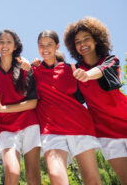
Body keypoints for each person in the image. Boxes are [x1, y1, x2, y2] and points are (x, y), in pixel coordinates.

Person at [64, 17, 127, 185]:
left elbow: (102, 70)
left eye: (86, 39)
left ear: (96, 40)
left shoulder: (111, 60)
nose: (82, 44)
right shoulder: (75, 70)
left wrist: (86, 75)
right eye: (78, 41)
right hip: (105, 132)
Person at [33, 30, 101, 185]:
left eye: (49, 44)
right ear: (37, 48)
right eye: (41, 45)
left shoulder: (71, 68)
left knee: (92, 179)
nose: (45, 48)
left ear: (57, 46)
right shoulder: (33, 70)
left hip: (80, 126)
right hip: (51, 131)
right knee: (56, 177)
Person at [0, 29, 41, 185]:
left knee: (33, 174)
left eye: (9, 42)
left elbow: (33, 103)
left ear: (15, 46)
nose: (4, 45)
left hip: (29, 124)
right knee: (12, 172)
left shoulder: (25, 68)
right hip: (5, 127)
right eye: (1, 41)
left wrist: (4, 108)